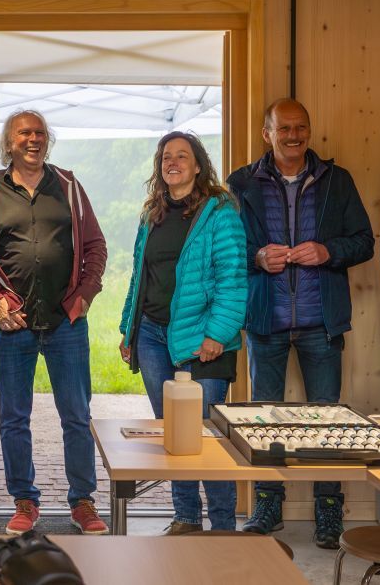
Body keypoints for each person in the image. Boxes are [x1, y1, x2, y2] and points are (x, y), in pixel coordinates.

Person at [227, 98, 374, 549]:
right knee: (263, 420)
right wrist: (256, 256)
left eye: (301, 128)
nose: (294, 136)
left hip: (321, 322)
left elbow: (364, 241)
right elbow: (228, 247)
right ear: (266, 133)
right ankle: (267, 506)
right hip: (265, 321)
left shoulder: (337, 179)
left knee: (329, 420)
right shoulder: (240, 183)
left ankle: (329, 512)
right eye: (284, 128)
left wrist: (328, 251)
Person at [0, 110, 109, 536]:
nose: (33, 139)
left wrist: (84, 295)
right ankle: (24, 501)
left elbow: (95, 245)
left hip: (66, 321)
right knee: (13, 418)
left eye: (40, 133)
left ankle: (82, 502)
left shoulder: (68, 186)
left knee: (76, 416)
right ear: (8, 143)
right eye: (24, 133)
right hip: (13, 324)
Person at [118, 131, 246, 535]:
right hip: (153, 336)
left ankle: (223, 526)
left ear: (197, 164)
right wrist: (129, 330)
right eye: (166, 156)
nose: (172, 162)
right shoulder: (152, 213)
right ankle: (186, 518)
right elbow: (140, 277)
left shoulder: (219, 210)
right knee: (175, 436)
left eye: (182, 156)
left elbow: (233, 276)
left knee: (206, 438)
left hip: (203, 341)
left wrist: (218, 334)